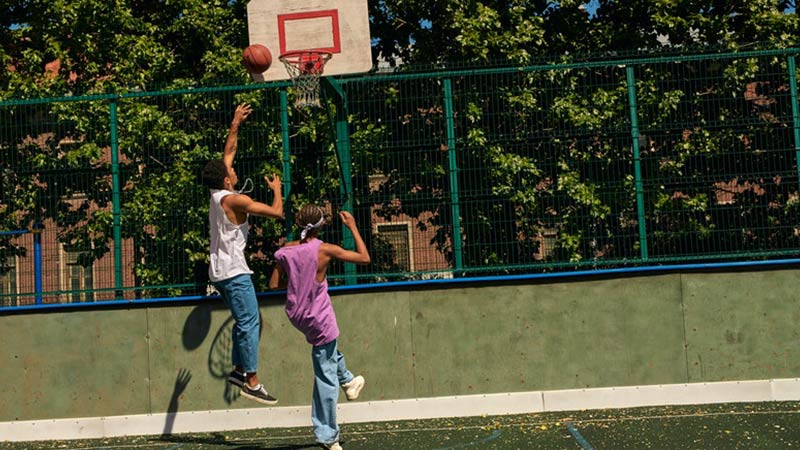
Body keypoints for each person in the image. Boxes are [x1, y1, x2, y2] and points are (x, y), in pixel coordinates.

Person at [269, 205, 370, 450]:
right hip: (319, 317)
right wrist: (353, 226)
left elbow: (274, 285)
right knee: (325, 378)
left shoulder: (285, 252)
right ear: (321, 225)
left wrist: (295, 279)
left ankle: (348, 381)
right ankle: (327, 437)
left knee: (329, 351)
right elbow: (364, 258)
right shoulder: (325, 250)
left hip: (297, 315)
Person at [201, 103, 283, 406]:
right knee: (250, 323)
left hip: (219, 272)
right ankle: (251, 380)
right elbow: (277, 213)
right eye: (231, 171)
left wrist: (235, 122)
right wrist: (277, 188)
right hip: (234, 272)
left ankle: (237, 370)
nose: (233, 169)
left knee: (246, 321)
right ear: (226, 179)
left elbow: (228, 152)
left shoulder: (215, 193)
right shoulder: (236, 200)